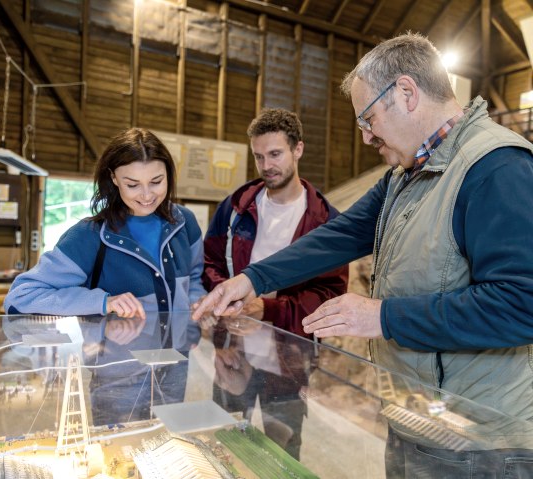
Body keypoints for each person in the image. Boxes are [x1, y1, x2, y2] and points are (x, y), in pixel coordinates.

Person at [193, 33, 533, 478]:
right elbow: (343, 233)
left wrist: (383, 316)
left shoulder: (496, 168)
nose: (367, 135)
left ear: (407, 93)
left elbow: (521, 305)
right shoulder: (405, 171)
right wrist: (252, 278)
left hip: (477, 439)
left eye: (368, 118)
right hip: (418, 416)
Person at [4, 128, 205, 415]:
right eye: (133, 184)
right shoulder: (88, 235)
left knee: (166, 449)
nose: (147, 195)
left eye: (157, 182)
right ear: (113, 179)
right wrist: (103, 302)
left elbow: (195, 277)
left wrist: (194, 320)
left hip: (176, 368)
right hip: (118, 376)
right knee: (116, 455)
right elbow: (20, 297)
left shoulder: (185, 222)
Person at [202, 108, 348, 459]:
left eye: (276, 154)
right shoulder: (237, 207)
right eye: (258, 156)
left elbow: (328, 295)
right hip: (232, 351)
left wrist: (266, 307)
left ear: (298, 149)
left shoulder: (326, 221)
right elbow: (209, 263)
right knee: (223, 444)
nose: (266, 165)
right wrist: (227, 303)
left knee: (281, 454)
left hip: (288, 362)